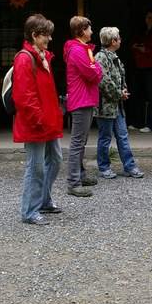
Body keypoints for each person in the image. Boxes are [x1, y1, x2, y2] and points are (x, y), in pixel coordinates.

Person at [12, 14, 63, 226]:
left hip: (46, 120)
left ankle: (43, 201)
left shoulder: (42, 56)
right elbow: (24, 96)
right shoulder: (25, 58)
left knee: (56, 160)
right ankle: (29, 211)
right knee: (36, 168)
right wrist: (39, 119)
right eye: (46, 35)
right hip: (36, 122)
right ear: (34, 35)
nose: (49, 39)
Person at [95, 27, 145, 179]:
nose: (121, 40)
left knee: (123, 136)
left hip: (117, 106)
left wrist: (123, 90)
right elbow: (103, 81)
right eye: (118, 38)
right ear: (113, 41)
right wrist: (119, 93)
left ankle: (129, 166)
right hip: (105, 107)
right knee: (105, 138)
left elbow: (119, 78)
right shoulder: (100, 57)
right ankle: (104, 167)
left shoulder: (115, 57)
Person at [63, 15, 103, 198]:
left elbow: (93, 69)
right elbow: (92, 73)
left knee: (81, 141)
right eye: (89, 28)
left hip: (84, 98)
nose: (91, 31)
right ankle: (73, 182)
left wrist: (96, 67)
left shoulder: (80, 49)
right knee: (78, 143)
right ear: (82, 31)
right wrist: (98, 68)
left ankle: (80, 175)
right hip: (81, 99)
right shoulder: (78, 51)